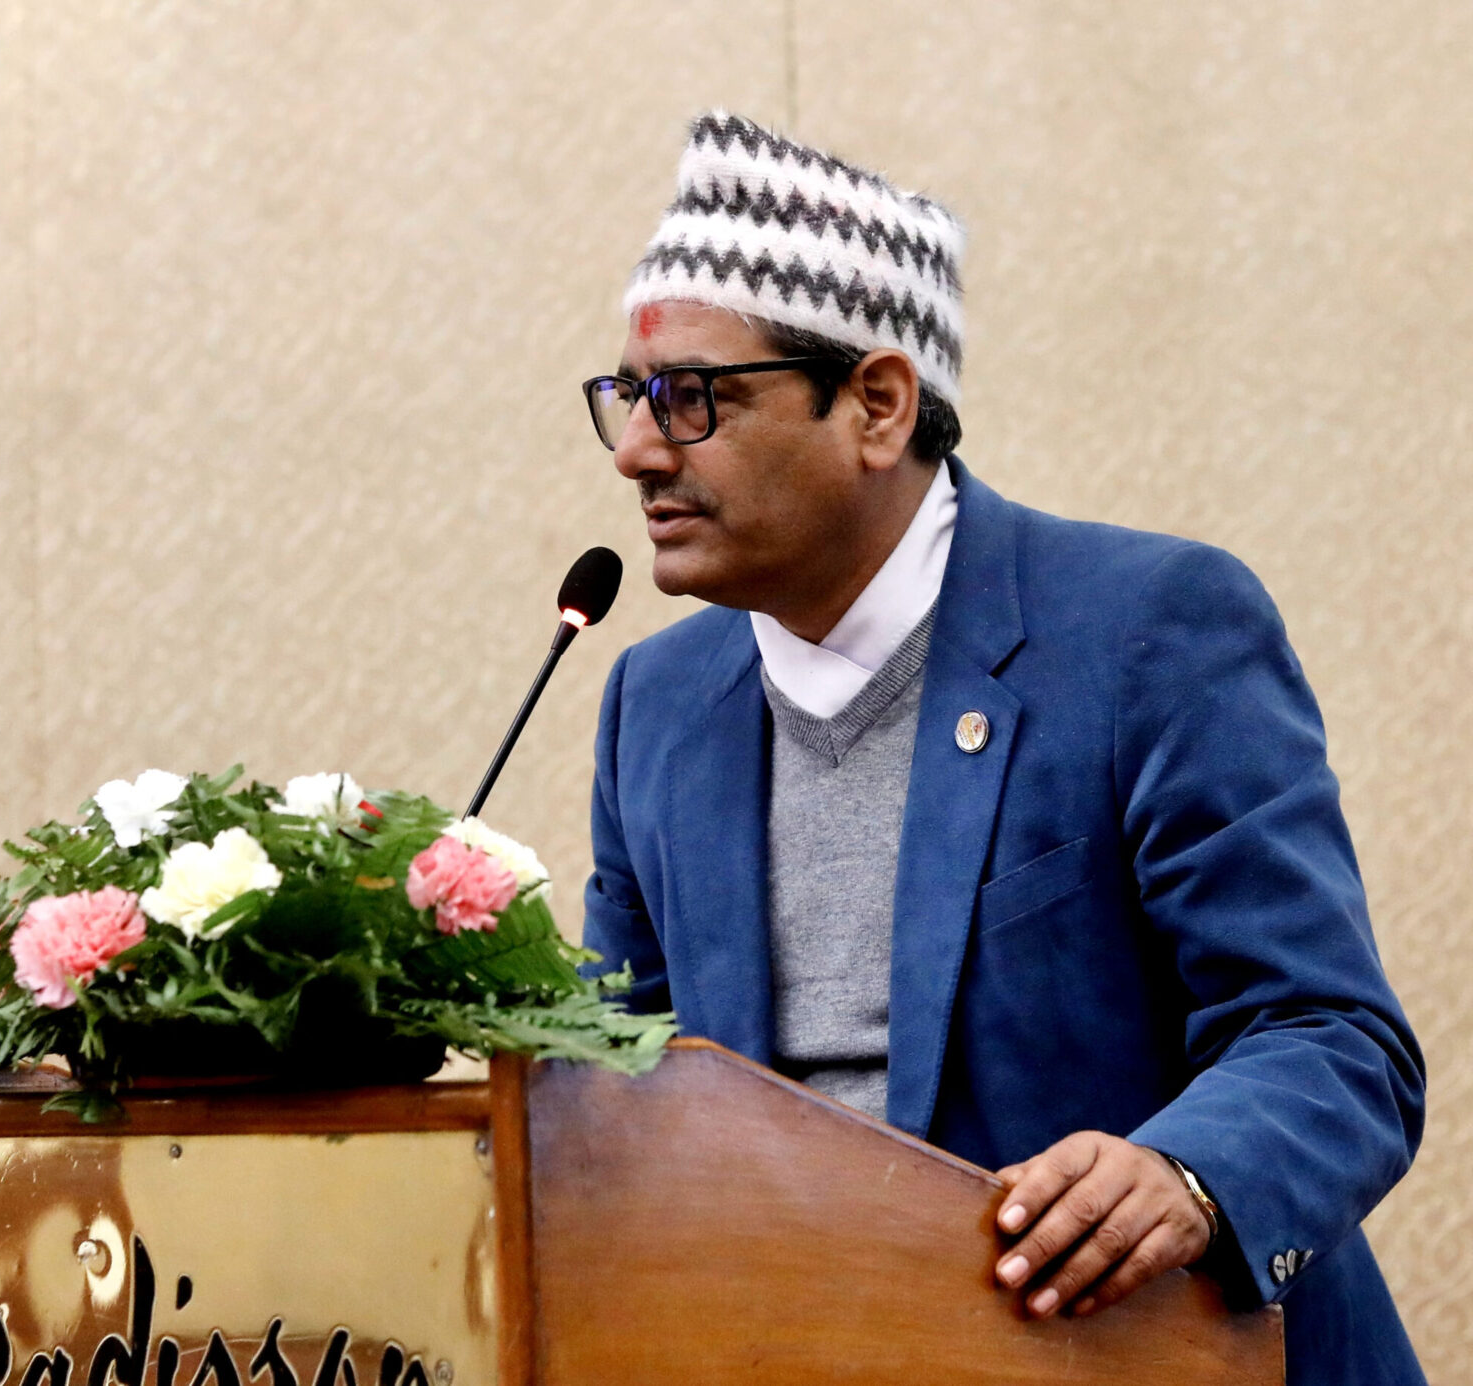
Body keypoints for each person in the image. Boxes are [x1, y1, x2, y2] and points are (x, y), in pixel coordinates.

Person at [581, 111, 1425, 1386]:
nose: (640, 451)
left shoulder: (1149, 631)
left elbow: (1332, 1042)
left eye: (694, 398)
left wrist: (1186, 1176)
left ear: (877, 405)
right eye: (628, 398)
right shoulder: (655, 701)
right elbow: (615, 1097)